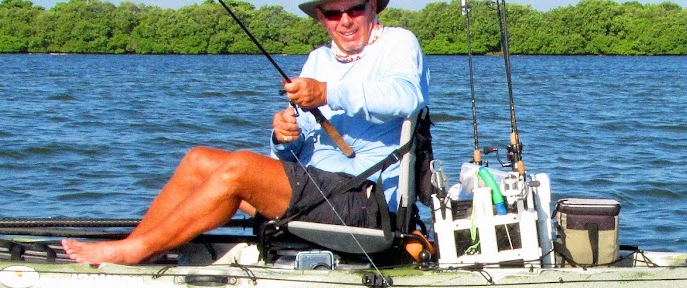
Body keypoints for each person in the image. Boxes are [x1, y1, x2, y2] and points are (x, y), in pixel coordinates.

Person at [62, 0, 429, 265]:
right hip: (314, 189)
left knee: (239, 168)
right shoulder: (319, 59)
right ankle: (141, 246)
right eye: (334, 13)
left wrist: (328, 92)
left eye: (355, 9)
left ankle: (131, 253)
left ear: (373, 8)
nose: (345, 21)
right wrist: (285, 136)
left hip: (364, 202)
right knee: (198, 160)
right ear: (321, 17)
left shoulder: (398, 42)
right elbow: (290, 151)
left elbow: (405, 98)